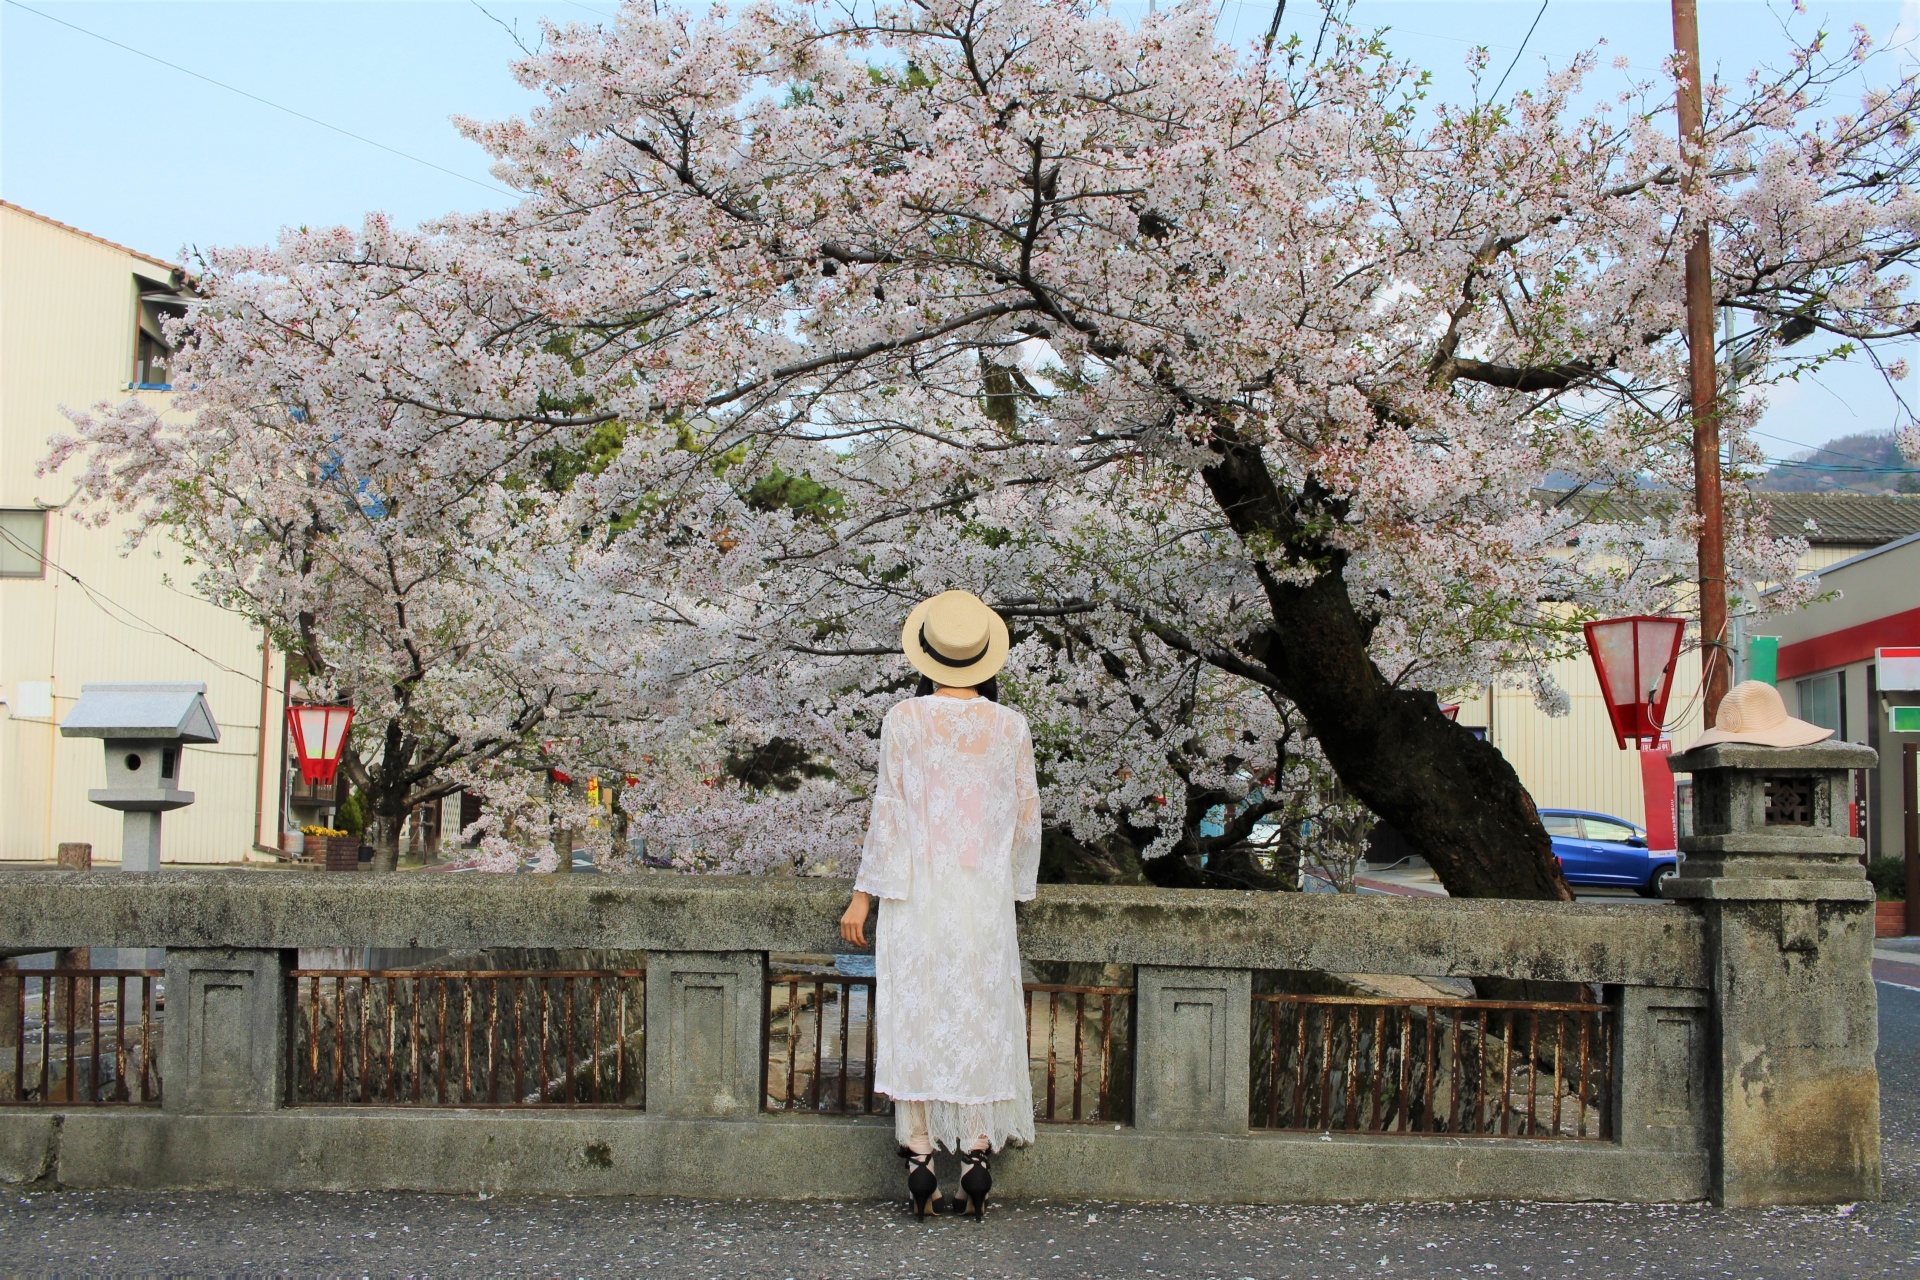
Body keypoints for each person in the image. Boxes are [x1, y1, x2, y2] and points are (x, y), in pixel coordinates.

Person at [839, 590, 1041, 1220]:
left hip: (917, 897)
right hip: (980, 901)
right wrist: (1011, 888)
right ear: (986, 660)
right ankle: (977, 1161)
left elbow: (890, 814)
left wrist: (862, 896)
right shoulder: (1010, 728)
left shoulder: (904, 720)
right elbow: (1026, 816)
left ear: (928, 656)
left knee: (919, 1017)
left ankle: (921, 1160)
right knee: (980, 1016)